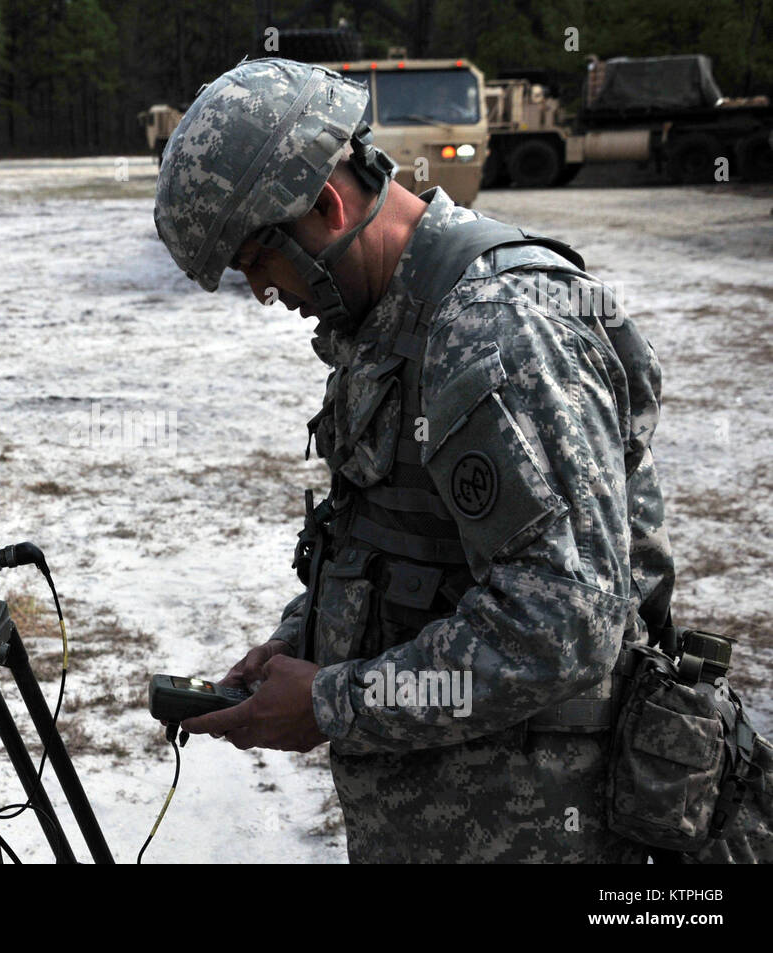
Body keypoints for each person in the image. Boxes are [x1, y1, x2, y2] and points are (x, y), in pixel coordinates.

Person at [152, 57, 674, 862]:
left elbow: (567, 622)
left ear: (325, 203)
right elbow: (402, 544)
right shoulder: (389, 320)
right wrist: (304, 640)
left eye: (260, 261)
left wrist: (335, 701)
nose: (264, 292)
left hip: (536, 827)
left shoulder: (496, 329)